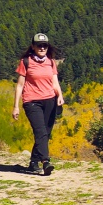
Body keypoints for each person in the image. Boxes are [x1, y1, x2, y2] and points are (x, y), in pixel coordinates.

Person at [12, 33, 65, 176]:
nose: (42, 48)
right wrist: (16, 106)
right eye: (39, 45)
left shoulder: (51, 62)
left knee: (45, 133)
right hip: (32, 101)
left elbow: (55, 82)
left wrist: (59, 96)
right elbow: (19, 85)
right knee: (40, 132)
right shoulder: (26, 62)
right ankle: (45, 161)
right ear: (33, 46)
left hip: (50, 100)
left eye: (44, 45)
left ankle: (33, 162)